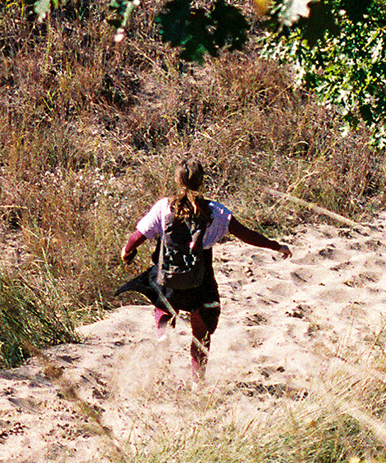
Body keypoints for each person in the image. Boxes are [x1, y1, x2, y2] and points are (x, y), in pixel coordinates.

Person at [119, 161, 292, 382]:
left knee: (162, 304)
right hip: (200, 280)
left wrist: (127, 251)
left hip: (168, 278)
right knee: (201, 333)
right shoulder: (216, 212)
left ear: (177, 180)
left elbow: (138, 236)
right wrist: (275, 246)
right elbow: (247, 235)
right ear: (202, 182)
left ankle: (163, 345)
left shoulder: (163, 207)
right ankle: (198, 383)